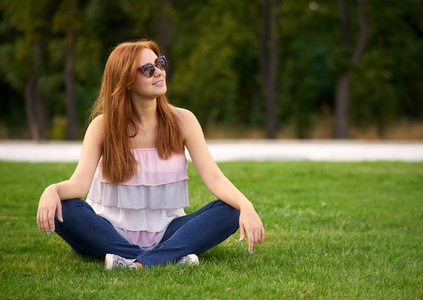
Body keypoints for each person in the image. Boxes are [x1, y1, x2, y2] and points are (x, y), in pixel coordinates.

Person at [36, 39, 264, 270]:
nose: (159, 72)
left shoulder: (184, 121)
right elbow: (79, 185)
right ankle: (169, 257)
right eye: (148, 69)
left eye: (160, 63)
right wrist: (51, 190)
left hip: (167, 231)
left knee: (230, 209)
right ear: (126, 79)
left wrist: (246, 206)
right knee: (63, 209)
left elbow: (214, 179)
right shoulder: (102, 126)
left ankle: (136, 262)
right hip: (106, 231)